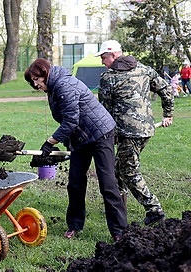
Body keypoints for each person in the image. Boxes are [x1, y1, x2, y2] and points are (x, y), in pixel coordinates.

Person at [24, 58, 127, 241]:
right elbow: (68, 119)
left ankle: (119, 231)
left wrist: (51, 142)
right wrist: (68, 144)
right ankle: (74, 225)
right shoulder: (53, 86)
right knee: (75, 182)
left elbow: (71, 120)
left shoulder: (64, 85)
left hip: (100, 133)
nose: (35, 84)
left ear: (45, 74)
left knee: (107, 183)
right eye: (33, 81)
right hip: (81, 138)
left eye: (37, 80)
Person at [96, 40, 174, 226]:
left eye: (103, 57)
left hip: (128, 133)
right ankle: (118, 206)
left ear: (113, 55)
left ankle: (154, 209)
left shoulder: (109, 77)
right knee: (118, 170)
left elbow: (104, 110)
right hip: (145, 129)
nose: (102, 62)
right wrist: (167, 113)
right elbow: (166, 89)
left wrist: (107, 135)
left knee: (129, 171)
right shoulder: (144, 69)